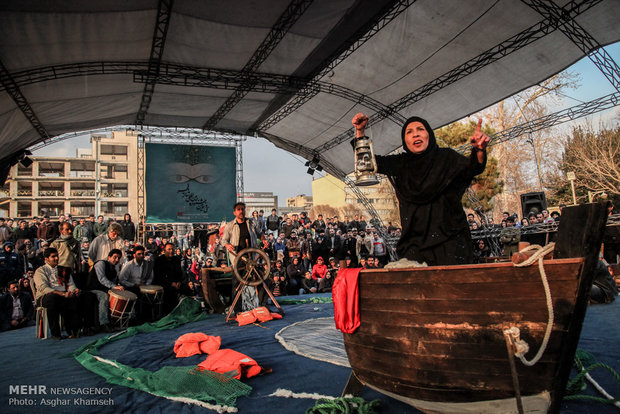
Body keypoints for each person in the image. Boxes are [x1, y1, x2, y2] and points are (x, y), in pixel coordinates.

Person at [352, 113, 488, 265]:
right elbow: (367, 162)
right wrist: (360, 132)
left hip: (451, 242)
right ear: (405, 140)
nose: (415, 133)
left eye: (420, 129)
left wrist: (479, 150)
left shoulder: (447, 158)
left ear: (429, 134)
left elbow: (473, 167)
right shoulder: (400, 163)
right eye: (409, 132)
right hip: (414, 245)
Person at [34, 248, 96, 338]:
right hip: (47, 296)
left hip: (64, 294)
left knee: (88, 296)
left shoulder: (64, 270)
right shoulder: (40, 271)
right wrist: (62, 294)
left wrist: (74, 291)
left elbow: (71, 284)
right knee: (53, 299)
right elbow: (43, 288)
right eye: (53, 257)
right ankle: (55, 333)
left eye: (57, 256)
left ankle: (84, 328)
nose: (56, 258)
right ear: (46, 259)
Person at [220, 202, 260, 312]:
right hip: (238, 259)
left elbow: (260, 233)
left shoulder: (251, 222)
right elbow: (223, 240)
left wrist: (264, 239)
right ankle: (237, 311)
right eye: (238, 209)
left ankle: (262, 306)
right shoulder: (230, 225)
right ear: (234, 212)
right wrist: (227, 245)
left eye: (242, 209)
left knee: (260, 281)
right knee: (236, 285)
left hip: (252, 259)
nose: (241, 211)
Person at [87, 249, 125, 328]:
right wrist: (114, 287)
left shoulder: (114, 270)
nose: (117, 260)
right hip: (93, 288)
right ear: (109, 257)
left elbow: (114, 282)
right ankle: (103, 323)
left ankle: (121, 320)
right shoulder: (101, 264)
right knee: (104, 296)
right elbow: (102, 279)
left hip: (105, 289)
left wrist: (117, 288)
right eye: (115, 257)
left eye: (118, 258)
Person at [153, 243, 190, 314]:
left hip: (175, 283)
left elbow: (179, 273)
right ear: (164, 251)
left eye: (172, 249)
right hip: (163, 283)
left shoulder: (176, 260)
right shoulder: (159, 260)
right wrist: (170, 283)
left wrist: (178, 281)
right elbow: (159, 276)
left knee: (186, 289)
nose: (171, 251)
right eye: (169, 249)